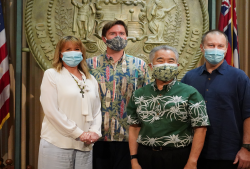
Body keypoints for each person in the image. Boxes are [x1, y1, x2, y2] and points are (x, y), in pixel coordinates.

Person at [181, 30, 250, 169]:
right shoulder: (189, 77)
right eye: (211, 45)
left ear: (226, 49)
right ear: (202, 48)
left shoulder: (239, 77)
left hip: (228, 153)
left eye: (220, 46)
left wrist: (246, 148)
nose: (215, 50)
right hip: (193, 152)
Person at [127, 45, 210, 169]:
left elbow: (200, 128)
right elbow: (134, 128)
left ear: (177, 66)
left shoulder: (190, 93)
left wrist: (192, 161)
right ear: (151, 66)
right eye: (160, 61)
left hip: (178, 156)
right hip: (146, 156)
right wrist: (134, 160)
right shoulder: (139, 94)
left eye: (171, 61)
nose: (165, 64)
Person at [87, 20, 149, 169]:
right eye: (113, 33)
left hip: (129, 138)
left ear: (127, 37)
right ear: (104, 38)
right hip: (98, 136)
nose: (118, 37)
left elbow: (145, 100)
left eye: (121, 33)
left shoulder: (139, 65)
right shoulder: (89, 64)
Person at [38, 36, 102, 169]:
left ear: (82, 53)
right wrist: (78, 133)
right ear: (60, 54)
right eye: (68, 49)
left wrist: (95, 131)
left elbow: (96, 110)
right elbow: (51, 111)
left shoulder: (91, 79)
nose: (73, 52)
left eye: (77, 49)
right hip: (57, 143)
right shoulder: (52, 75)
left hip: (85, 146)